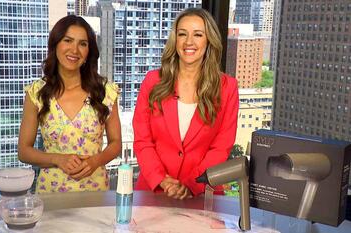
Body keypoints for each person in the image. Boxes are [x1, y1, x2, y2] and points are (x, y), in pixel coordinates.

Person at [133, 8, 239, 199]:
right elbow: (143, 141)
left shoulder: (228, 88)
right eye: (182, 34)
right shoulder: (152, 81)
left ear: (209, 41)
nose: (189, 42)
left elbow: (221, 148)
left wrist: (191, 185)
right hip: (155, 190)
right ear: (175, 40)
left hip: (203, 192)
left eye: (198, 35)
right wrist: (162, 180)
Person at [18, 15, 121, 193]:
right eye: (68, 40)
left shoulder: (106, 91)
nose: (75, 50)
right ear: (55, 44)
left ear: (89, 51)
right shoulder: (36, 93)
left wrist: (95, 161)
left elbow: (116, 143)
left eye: (83, 44)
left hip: (95, 192)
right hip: (51, 191)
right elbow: (24, 151)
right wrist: (58, 159)